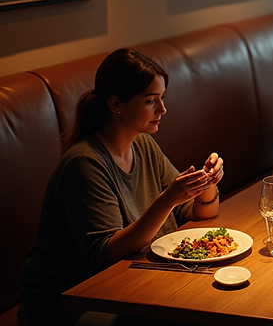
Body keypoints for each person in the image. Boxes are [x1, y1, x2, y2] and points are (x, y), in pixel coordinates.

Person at [19, 49, 225, 326]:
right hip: (71, 298)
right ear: (116, 104)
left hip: (129, 281)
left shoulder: (142, 143)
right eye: (151, 100)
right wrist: (167, 200)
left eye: (162, 98)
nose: (162, 109)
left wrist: (206, 184)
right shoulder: (85, 163)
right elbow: (104, 255)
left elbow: (196, 213)